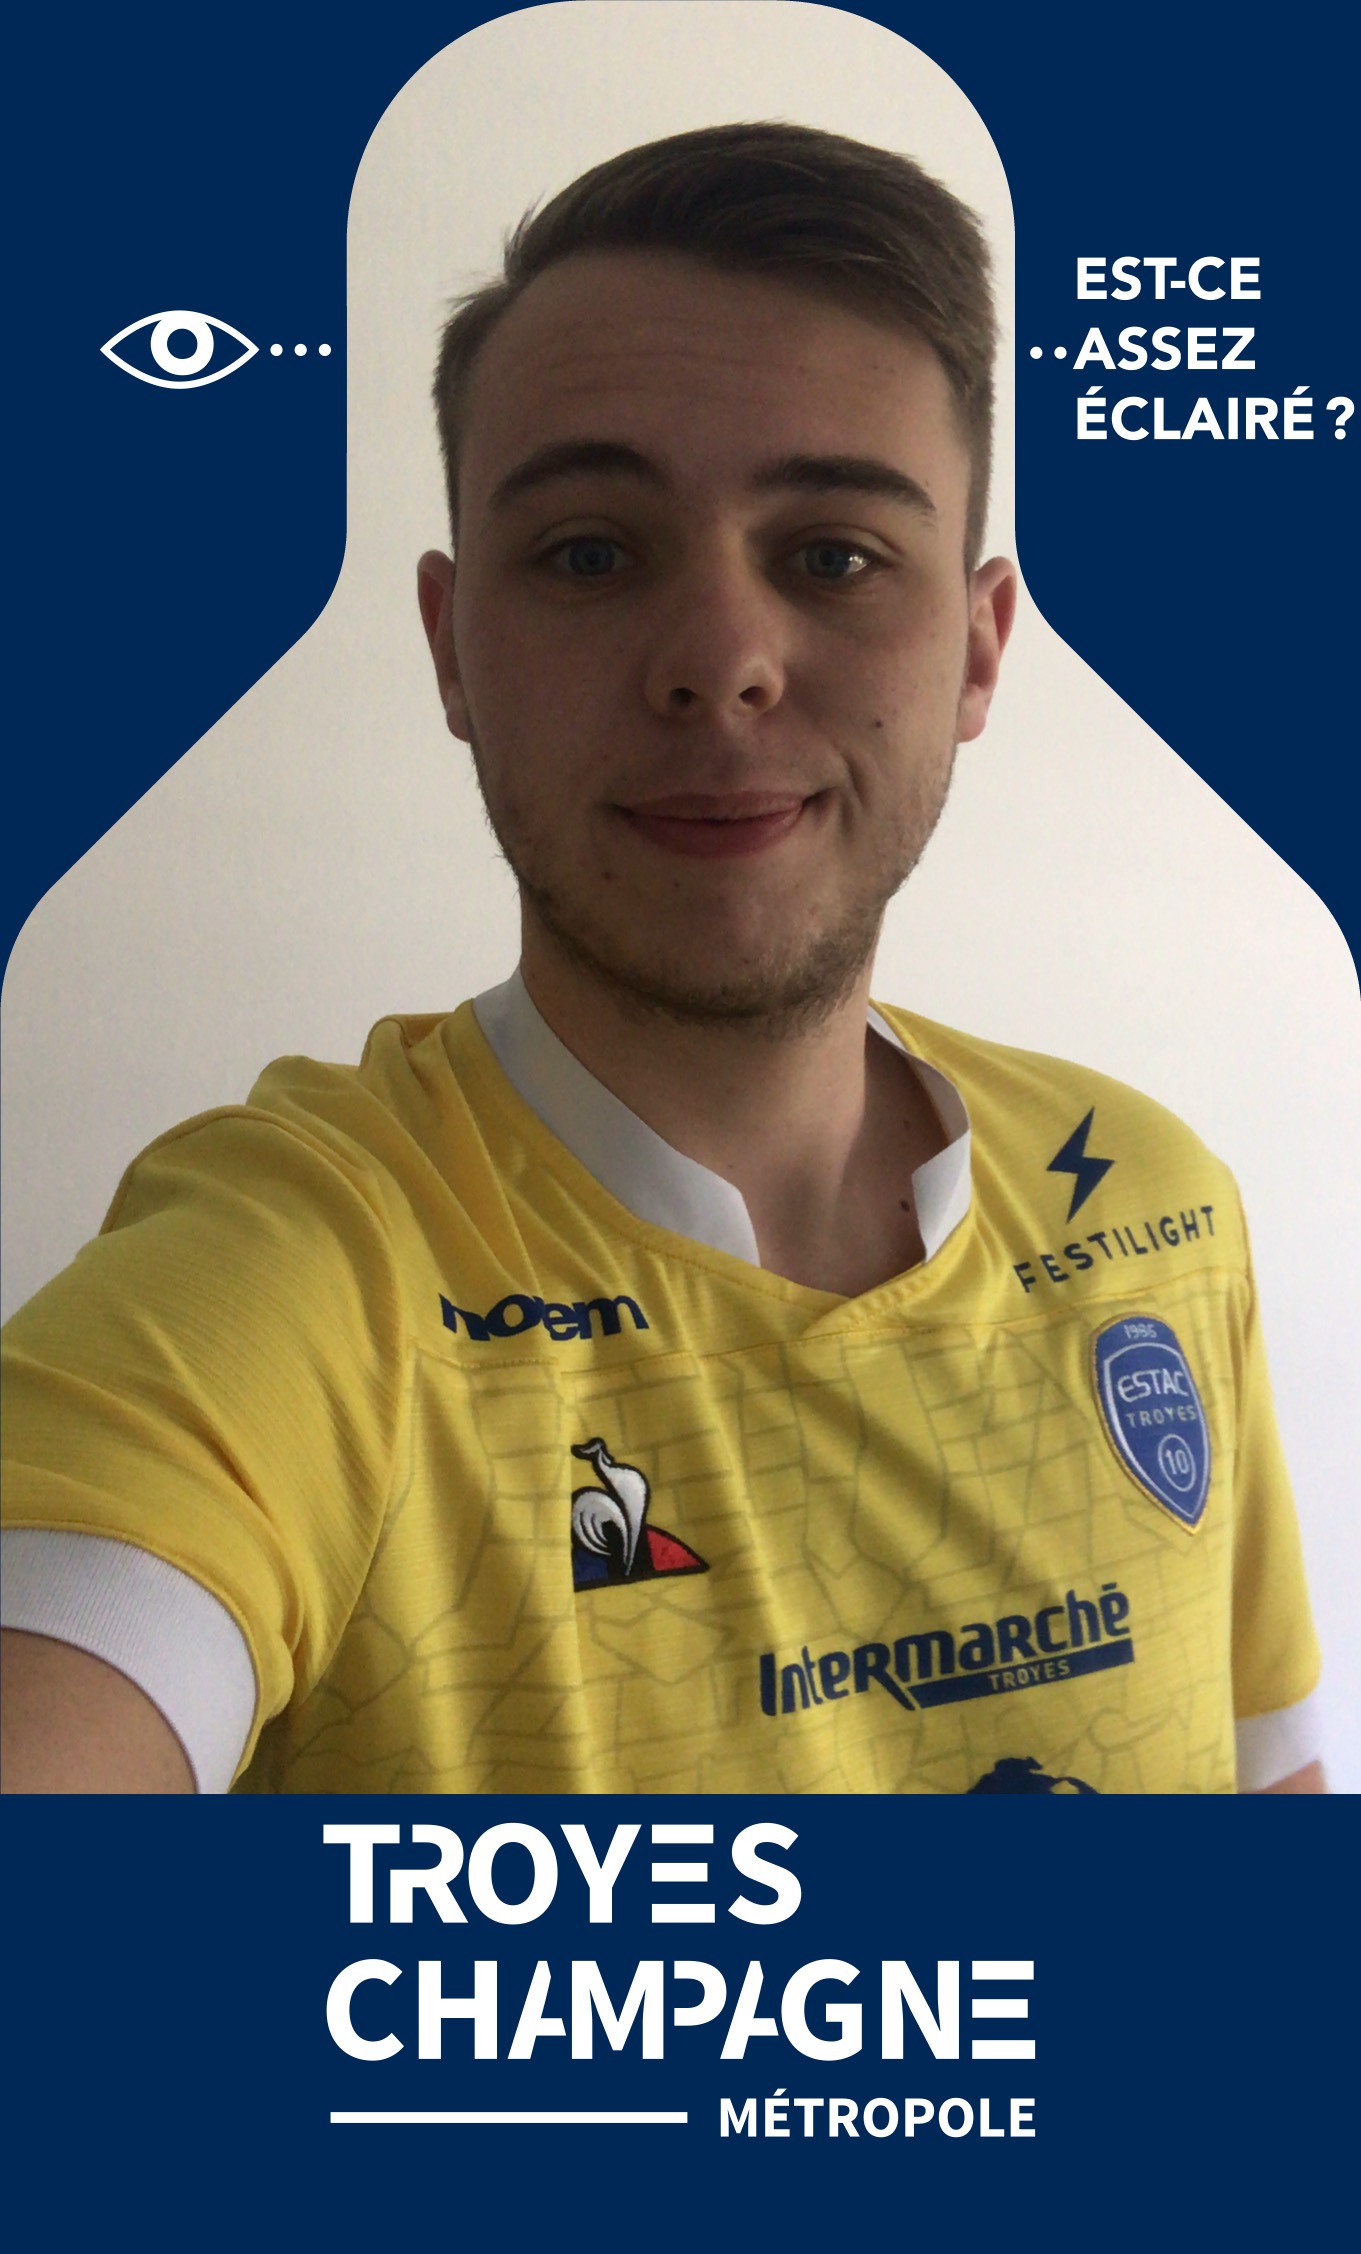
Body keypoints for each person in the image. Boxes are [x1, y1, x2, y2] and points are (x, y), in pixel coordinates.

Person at [0, 124, 1323, 1795]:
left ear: (978, 650)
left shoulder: (1152, 1202)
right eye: (590, 553)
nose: (719, 660)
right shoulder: (306, 1270)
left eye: (833, 555)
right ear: (451, 647)